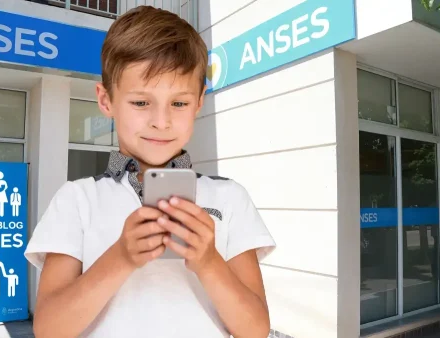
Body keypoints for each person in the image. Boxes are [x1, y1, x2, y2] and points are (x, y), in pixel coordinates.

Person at [24, 6, 276, 338]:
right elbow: (48, 330)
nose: (161, 120)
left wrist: (209, 262)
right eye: (141, 103)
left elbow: (256, 330)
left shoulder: (229, 197)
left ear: (200, 101)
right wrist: (120, 257)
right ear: (106, 100)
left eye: (179, 103)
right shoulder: (77, 199)